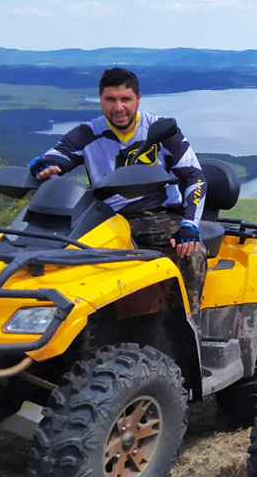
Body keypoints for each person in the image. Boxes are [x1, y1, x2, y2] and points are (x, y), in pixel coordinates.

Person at [27, 67, 208, 313]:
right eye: (110, 99)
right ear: (101, 99)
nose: (119, 107)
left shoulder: (161, 130)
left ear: (138, 98)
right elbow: (57, 156)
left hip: (158, 213)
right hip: (104, 217)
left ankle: (189, 325)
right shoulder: (88, 133)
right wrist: (44, 165)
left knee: (191, 253)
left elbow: (194, 176)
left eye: (125, 99)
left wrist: (190, 225)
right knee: (62, 261)